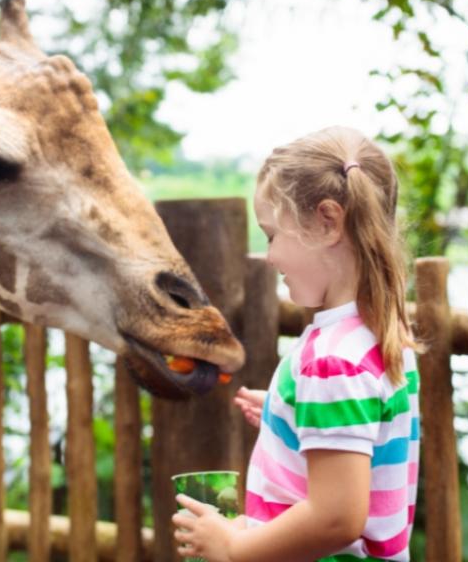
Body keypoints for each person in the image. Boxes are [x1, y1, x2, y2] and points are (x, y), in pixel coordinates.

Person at [173, 126, 420, 561]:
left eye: (272, 235)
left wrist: (234, 547)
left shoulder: (332, 363)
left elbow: (337, 518)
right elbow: (372, 430)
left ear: (328, 223)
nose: (269, 256)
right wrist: (289, 411)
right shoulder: (374, 336)